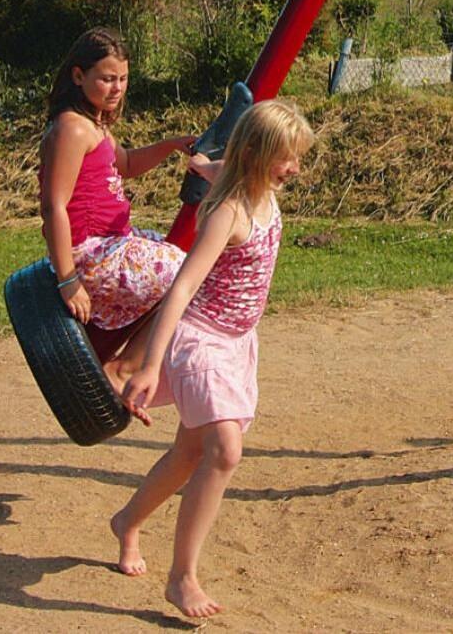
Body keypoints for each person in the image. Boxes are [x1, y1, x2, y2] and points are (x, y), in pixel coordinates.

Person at [114, 98, 312, 621]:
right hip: (201, 341)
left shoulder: (253, 183)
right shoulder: (229, 212)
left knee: (188, 454)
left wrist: (200, 163)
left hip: (237, 343)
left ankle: (127, 522)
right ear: (256, 154)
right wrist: (150, 366)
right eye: (287, 157)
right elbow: (181, 290)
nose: (295, 168)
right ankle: (182, 577)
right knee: (224, 451)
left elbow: (217, 166)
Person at [38, 28, 207, 389]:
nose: (117, 88)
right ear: (79, 76)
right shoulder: (72, 129)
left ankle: (135, 358)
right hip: (90, 255)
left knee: (192, 265)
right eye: (107, 79)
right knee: (190, 275)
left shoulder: (94, 122)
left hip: (112, 244)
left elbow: (126, 164)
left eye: (123, 78)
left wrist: (172, 145)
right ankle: (124, 369)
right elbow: (54, 206)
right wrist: (68, 280)